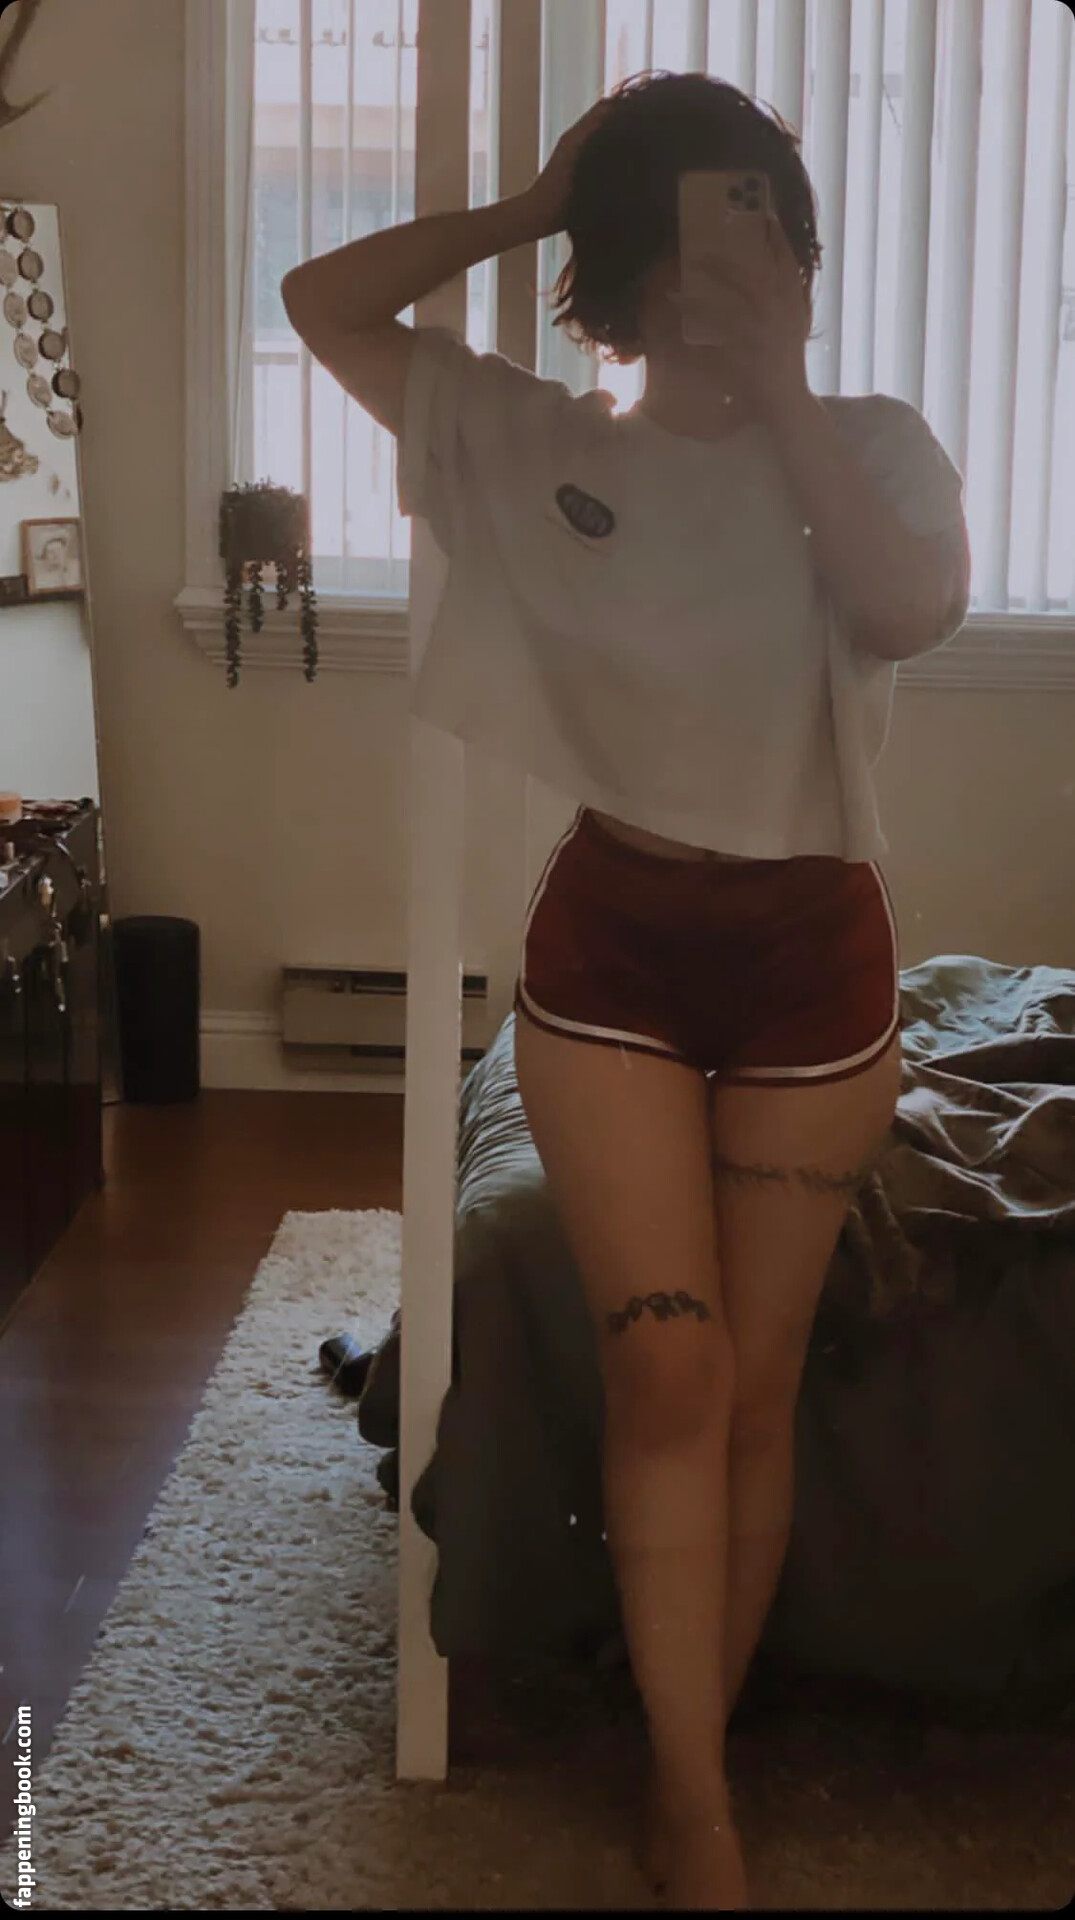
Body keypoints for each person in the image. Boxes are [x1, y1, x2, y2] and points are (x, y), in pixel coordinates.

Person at [282, 71, 970, 1911]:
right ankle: (693, 1795)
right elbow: (321, 303)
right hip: (610, 952)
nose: (729, 263)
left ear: (804, 258)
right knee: (669, 1364)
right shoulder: (532, 441)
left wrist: (787, 389)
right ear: (616, 270)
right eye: (688, 228)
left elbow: (907, 610)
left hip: (815, 957)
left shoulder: (874, 445)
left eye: (764, 225)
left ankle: (690, 1773)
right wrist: (530, 209)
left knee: (749, 1383)